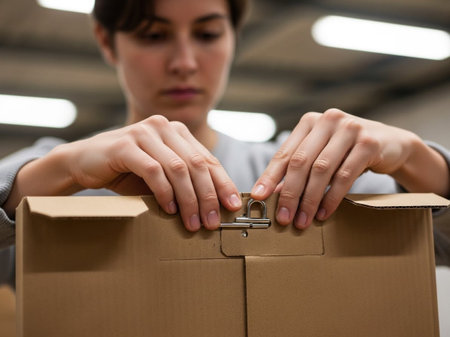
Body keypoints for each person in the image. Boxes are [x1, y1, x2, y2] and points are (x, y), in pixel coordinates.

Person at [0, 0, 449, 287]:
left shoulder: (300, 172)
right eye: (153, 36)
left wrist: (419, 161)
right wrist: (52, 176)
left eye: (208, 34)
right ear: (107, 41)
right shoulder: (49, 174)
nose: (184, 62)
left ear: (234, 37)